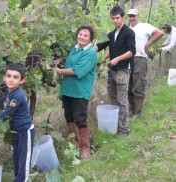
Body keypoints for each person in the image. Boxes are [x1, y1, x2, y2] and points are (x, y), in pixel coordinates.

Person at [55, 24, 98, 159]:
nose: (82, 37)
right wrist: (59, 61)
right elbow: (69, 62)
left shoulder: (90, 53)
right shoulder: (75, 48)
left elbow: (76, 70)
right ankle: (76, 143)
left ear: (90, 38)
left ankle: (85, 147)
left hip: (80, 91)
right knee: (69, 117)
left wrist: (59, 71)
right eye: (80, 34)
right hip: (68, 89)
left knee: (80, 118)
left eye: (86, 35)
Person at [95, 6, 136, 135]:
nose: (115, 21)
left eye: (117, 18)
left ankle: (124, 129)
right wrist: (90, 48)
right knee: (112, 99)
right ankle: (115, 126)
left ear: (123, 17)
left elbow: (132, 51)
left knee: (122, 101)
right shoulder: (112, 34)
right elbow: (102, 46)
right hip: (112, 70)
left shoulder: (128, 32)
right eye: (113, 18)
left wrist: (117, 59)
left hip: (123, 70)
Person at [0, 63, 35, 182]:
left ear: (22, 80)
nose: (11, 79)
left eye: (15, 77)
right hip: (15, 132)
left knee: (23, 164)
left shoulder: (17, 95)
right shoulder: (10, 91)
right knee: (17, 160)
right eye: (9, 76)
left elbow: (6, 113)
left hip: (25, 132)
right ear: (4, 77)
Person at [127, 9, 163, 119]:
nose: (132, 18)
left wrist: (148, 43)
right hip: (128, 59)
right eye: (130, 16)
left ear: (138, 16)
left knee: (138, 86)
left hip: (140, 58)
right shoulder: (127, 29)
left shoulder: (144, 26)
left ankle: (138, 113)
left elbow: (160, 33)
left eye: (134, 16)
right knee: (128, 87)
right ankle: (132, 111)